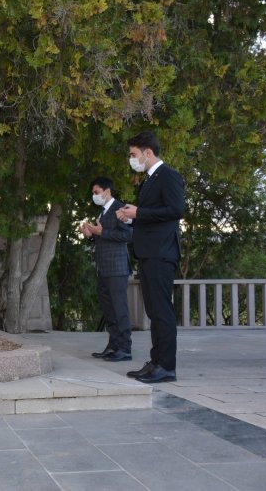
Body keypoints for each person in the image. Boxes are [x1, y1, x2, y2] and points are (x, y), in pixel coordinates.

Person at [116, 131, 184, 383]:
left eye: (133, 154)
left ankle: (166, 366)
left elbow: (176, 210)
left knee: (162, 311)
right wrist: (130, 215)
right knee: (154, 311)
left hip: (161, 253)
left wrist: (139, 212)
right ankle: (156, 361)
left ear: (147, 153)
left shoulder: (169, 175)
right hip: (148, 253)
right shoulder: (148, 180)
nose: (131, 159)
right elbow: (149, 214)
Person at [80, 177, 134, 362]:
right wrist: (90, 235)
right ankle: (113, 345)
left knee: (119, 309)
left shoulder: (120, 209)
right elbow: (102, 238)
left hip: (117, 268)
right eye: (93, 193)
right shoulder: (103, 212)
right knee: (108, 309)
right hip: (103, 268)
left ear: (107, 191)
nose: (94, 196)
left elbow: (127, 235)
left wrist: (101, 232)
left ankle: (125, 348)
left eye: (96, 192)